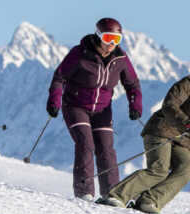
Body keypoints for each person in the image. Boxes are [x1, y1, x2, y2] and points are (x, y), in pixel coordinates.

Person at [98, 49, 190, 214]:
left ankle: (149, 201)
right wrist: (187, 123)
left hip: (182, 141)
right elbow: (169, 105)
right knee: (159, 170)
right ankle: (116, 196)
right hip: (161, 130)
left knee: (186, 170)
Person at [47, 17, 145, 200]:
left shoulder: (120, 59)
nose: (111, 44)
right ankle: (84, 192)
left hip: (102, 110)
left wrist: (135, 105)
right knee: (85, 144)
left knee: (106, 148)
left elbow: (133, 84)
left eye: (116, 40)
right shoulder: (80, 54)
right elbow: (59, 77)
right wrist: (54, 102)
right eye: (108, 38)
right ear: (99, 36)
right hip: (76, 106)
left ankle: (112, 194)